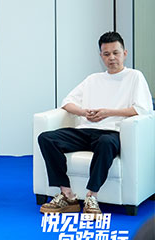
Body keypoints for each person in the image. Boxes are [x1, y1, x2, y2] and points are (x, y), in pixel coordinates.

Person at [38, 31, 153, 216]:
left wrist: (108, 112)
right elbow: (67, 103)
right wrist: (84, 112)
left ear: (125, 53)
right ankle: (67, 194)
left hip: (112, 132)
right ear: (101, 56)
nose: (111, 57)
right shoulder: (93, 79)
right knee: (46, 138)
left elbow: (142, 109)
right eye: (106, 54)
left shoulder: (134, 77)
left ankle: (92, 196)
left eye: (115, 53)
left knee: (106, 142)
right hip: (86, 130)